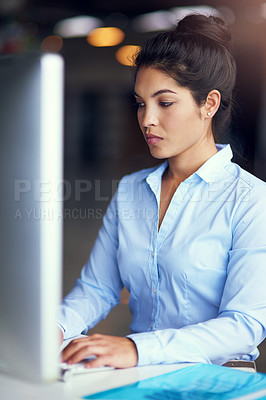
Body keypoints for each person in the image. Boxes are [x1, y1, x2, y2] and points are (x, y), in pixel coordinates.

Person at [58, 13, 266, 370]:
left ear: (209, 104)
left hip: (216, 376)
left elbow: (244, 325)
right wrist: (55, 330)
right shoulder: (131, 191)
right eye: (140, 103)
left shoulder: (251, 200)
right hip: (139, 372)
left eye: (164, 103)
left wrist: (137, 349)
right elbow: (97, 288)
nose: (146, 119)